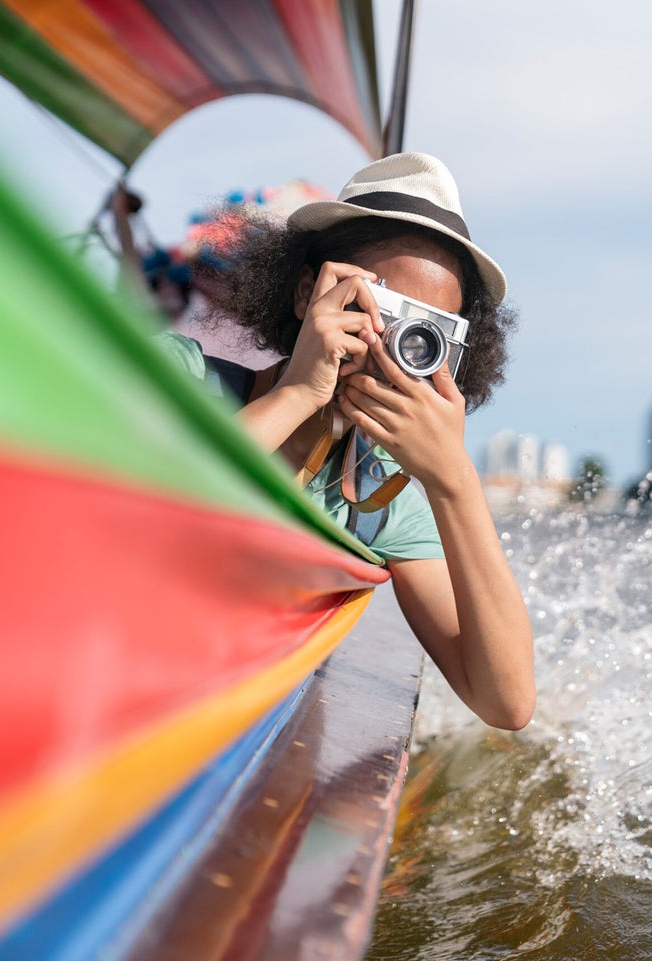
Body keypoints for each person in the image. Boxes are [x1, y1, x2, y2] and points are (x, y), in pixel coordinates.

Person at [158, 153, 535, 731]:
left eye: (426, 333)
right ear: (311, 294)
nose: (396, 346)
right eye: (381, 312)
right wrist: (300, 393)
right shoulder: (178, 377)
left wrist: (453, 481)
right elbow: (150, 512)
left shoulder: (378, 498)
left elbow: (505, 702)